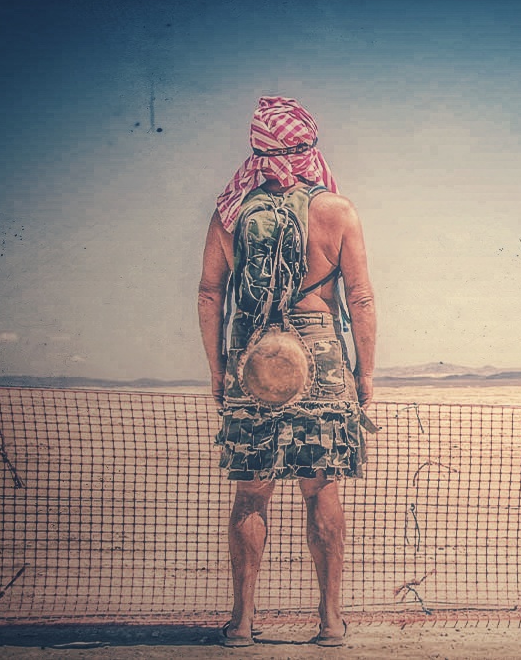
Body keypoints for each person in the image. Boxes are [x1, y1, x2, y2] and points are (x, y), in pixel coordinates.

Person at [197, 96, 376, 648]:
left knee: (251, 492)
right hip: (321, 360)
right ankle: (330, 622)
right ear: (308, 148)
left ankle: (242, 624)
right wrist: (364, 375)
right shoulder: (337, 211)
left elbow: (210, 294)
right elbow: (361, 297)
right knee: (320, 489)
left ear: (259, 151)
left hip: (254, 362)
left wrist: (218, 370)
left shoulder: (231, 213)